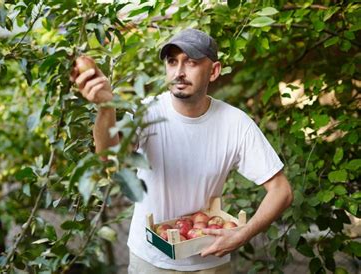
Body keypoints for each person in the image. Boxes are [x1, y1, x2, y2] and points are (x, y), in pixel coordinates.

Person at [71, 28, 293, 273]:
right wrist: (105, 107)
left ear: (214, 71)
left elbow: (281, 190)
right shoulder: (147, 113)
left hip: (209, 260)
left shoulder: (235, 124)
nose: (179, 71)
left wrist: (243, 234)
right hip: (150, 259)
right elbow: (107, 155)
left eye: (192, 62)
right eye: (172, 62)